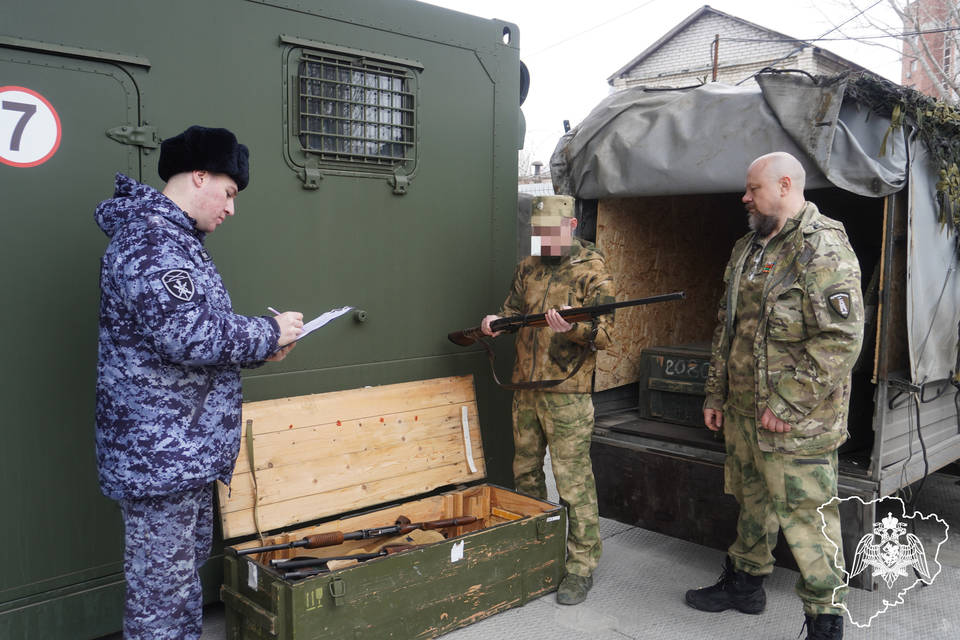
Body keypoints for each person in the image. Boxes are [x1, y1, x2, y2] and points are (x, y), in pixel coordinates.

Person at [94, 125, 303, 640]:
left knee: (179, 591)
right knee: (161, 603)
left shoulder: (177, 241)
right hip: (159, 456)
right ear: (200, 176)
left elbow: (193, 342)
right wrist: (267, 331)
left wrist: (264, 349)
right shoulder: (152, 240)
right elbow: (188, 335)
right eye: (229, 193)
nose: (231, 209)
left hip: (179, 453)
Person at [685, 152, 864, 640]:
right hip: (744, 412)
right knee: (751, 502)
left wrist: (785, 405)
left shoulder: (821, 246)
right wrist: (715, 394)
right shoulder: (748, 247)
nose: (745, 197)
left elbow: (840, 338)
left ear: (785, 185)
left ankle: (825, 622)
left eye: (752, 188)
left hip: (797, 422)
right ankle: (745, 584)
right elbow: (728, 328)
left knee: (808, 518)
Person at [480, 194, 615, 605]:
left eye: (551, 233)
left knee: (573, 483)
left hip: (568, 395)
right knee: (525, 476)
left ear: (571, 228)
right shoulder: (528, 268)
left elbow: (606, 336)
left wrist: (573, 328)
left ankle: (580, 565)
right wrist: (493, 325)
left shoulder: (594, 273)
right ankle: (536, 553)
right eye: (538, 233)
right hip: (525, 391)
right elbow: (510, 312)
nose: (543, 240)